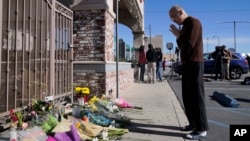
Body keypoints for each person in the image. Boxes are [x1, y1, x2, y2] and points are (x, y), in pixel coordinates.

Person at [169, 5, 208, 140]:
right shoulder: (184, 26)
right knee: (187, 96)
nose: (173, 20)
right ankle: (193, 124)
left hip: (195, 63)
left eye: (174, 16)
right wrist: (179, 36)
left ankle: (201, 129)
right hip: (187, 64)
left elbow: (189, 43)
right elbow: (182, 45)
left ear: (180, 12)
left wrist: (179, 35)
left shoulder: (193, 22)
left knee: (196, 96)